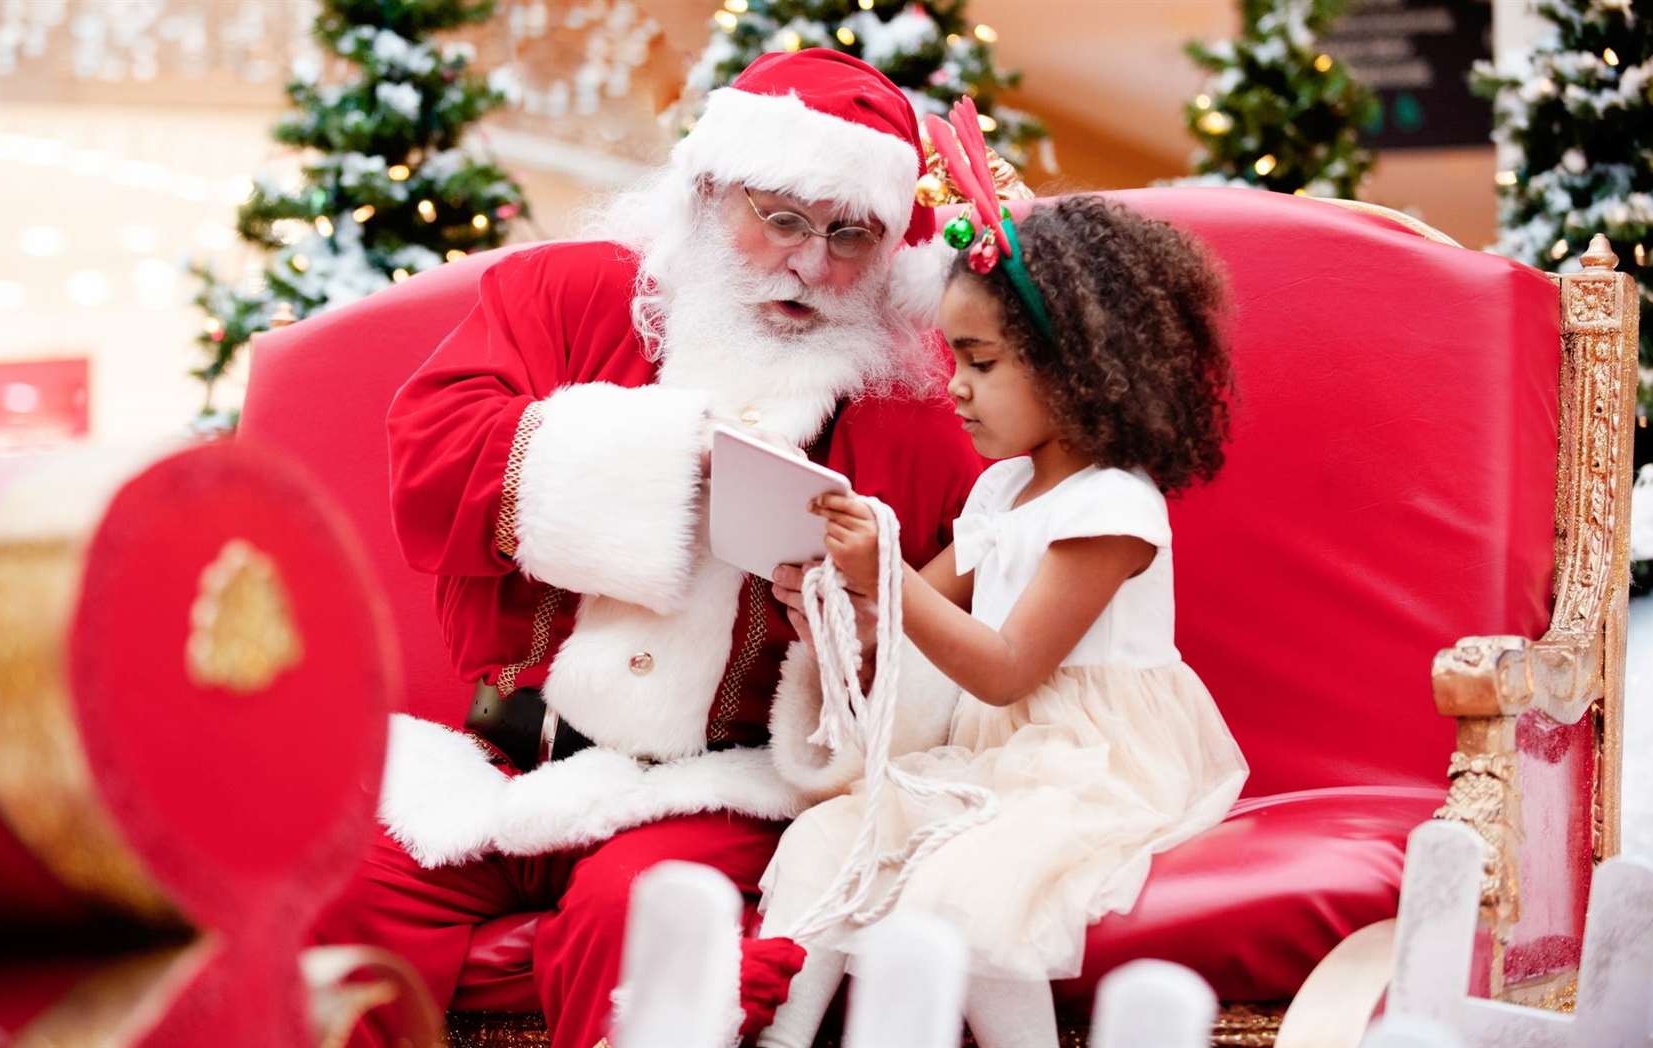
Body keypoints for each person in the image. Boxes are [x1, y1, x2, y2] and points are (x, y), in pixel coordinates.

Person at [312, 49, 985, 1048]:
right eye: (783, 217)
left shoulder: (918, 415)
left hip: (719, 784)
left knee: (643, 919)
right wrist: (655, 464)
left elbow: (963, 650)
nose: (810, 263)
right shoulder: (569, 295)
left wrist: (851, 627)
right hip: (512, 762)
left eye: (850, 236)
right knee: (337, 893)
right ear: (711, 193)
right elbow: (432, 455)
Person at [756, 193, 1251, 1048]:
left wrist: (890, 581)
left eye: (980, 362)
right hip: (995, 756)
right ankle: (772, 1037)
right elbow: (908, 616)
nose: (955, 385)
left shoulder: (1113, 508)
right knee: (825, 839)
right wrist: (839, 608)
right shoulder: (1000, 492)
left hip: (1095, 762)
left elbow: (1007, 667)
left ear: (1080, 368)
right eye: (954, 357)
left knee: (968, 891)